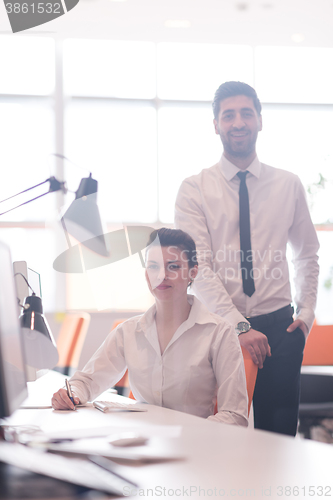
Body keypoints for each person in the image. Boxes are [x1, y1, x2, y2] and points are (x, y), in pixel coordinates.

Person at [175, 81, 319, 436]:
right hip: (217, 327)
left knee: (279, 437)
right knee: (213, 435)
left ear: (259, 120)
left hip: (280, 328)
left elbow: (307, 252)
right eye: (228, 115)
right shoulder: (194, 189)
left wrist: (307, 313)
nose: (238, 122)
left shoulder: (288, 184)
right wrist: (239, 325)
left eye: (245, 113)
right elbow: (199, 268)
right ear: (215, 124)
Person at [52, 228, 248, 427]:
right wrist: (71, 394)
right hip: (141, 442)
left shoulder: (219, 333)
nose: (161, 276)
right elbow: (86, 382)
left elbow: (235, 415)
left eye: (173, 266)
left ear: (193, 272)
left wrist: (186, 434)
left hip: (194, 446)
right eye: (153, 266)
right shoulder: (128, 332)